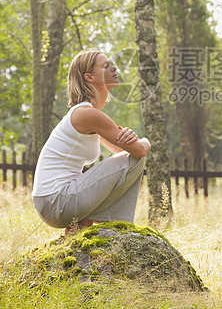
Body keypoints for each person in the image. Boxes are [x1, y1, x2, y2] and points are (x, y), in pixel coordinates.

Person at [32, 49, 150, 234]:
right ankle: (115, 228)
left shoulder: (88, 115)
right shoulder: (87, 114)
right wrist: (144, 141)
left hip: (53, 201)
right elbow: (138, 152)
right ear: (89, 77)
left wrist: (131, 143)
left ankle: (82, 227)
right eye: (106, 66)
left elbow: (121, 152)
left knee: (132, 158)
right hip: (56, 201)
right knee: (137, 159)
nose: (114, 67)